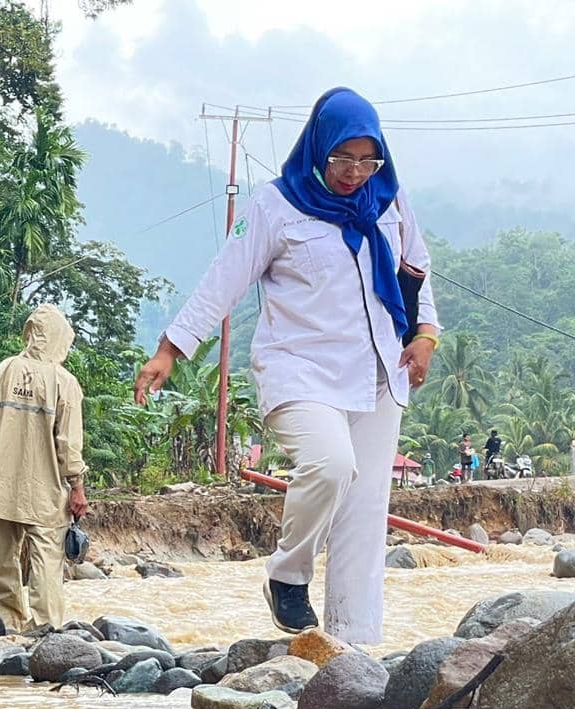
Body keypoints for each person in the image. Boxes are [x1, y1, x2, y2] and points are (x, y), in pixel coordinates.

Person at [133, 87, 440, 644]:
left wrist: (425, 335)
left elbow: (415, 272)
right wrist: (170, 350)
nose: (354, 173)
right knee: (329, 465)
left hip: (379, 373)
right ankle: (287, 574)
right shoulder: (276, 205)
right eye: (342, 159)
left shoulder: (390, 200)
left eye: (367, 161)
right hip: (300, 370)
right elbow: (223, 278)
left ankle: (351, 648)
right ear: (318, 149)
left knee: (364, 517)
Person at [0, 304, 89, 631]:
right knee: (47, 557)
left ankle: (5, 622)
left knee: (1, 554)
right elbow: (68, 444)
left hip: (3, 480)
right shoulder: (64, 382)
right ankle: (44, 626)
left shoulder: (4, 370)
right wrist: (78, 487)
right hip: (46, 486)